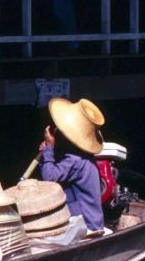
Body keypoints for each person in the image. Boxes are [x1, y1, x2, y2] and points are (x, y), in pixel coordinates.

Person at [39, 97, 107, 235]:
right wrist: (47, 153)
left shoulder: (75, 160)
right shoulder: (85, 157)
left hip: (86, 226)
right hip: (93, 221)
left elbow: (49, 178)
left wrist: (49, 150)